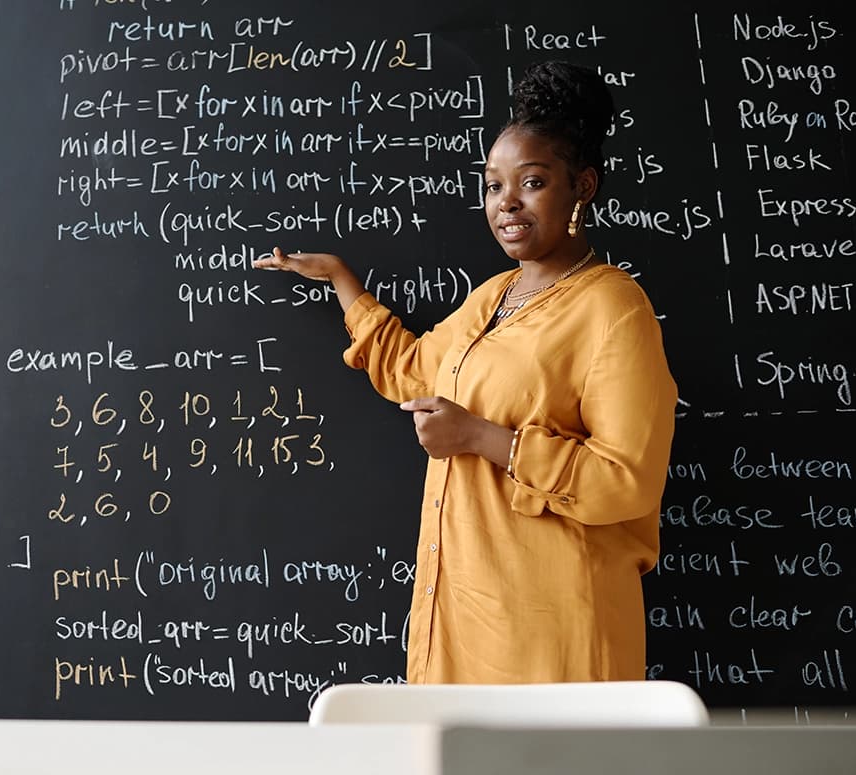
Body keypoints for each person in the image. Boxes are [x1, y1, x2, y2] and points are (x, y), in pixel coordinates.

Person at [254, 61, 677, 684]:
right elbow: (414, 370)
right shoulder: (495, 297)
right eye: (492, 186)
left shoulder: (614, 308)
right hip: (467, 613)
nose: (506, 203)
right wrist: (343, 283)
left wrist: (482, 438)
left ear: (581, 186)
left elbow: (626, 482)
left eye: (531, 182)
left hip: (554, 629)